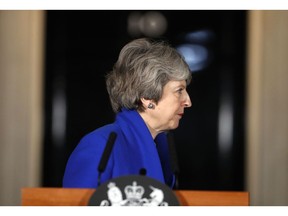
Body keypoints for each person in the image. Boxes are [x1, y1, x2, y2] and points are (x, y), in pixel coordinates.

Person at [63, 38, 192, 189]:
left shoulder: (163, 146)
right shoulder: (100, 145)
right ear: (147, 97)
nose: (188, 101)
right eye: (179, 91)